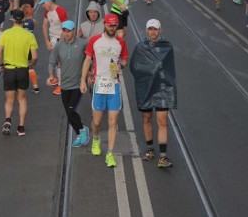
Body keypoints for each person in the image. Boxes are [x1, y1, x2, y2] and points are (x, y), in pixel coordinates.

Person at [80, 13, 129, 168]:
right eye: (109, 25)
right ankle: (95, 138)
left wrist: (120, 66)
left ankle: (110, 153)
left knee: (113, 121)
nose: (112, 28)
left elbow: (125, 60)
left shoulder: (120, 42)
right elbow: (87, 60)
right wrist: (82, 80)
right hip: (99, 84)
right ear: (105, 24)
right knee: (97, 121)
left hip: (114, 85)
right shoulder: (95, 41)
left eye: (114, 25)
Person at [129, 18, 177, 169]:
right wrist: (148, 74)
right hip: (146, 88)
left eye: (155, 29)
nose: (153, 32)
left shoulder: (167, 47)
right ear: (146, 30)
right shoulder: (140, 47)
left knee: (162, 121)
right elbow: (134, 67)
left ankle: (163, 157)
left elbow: (169, 69)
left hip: (163, 89)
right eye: (150, 29)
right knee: (147, 117)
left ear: (160, 30)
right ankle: (150, 149)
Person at [0, 9, 38, 136]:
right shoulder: (29, 35)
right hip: (22, 70)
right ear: (23, 19)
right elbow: (35, 56)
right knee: (21, 98)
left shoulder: (5, 34)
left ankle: (8, 120)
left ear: (12, 20)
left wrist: (1, 64)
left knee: (9, 99)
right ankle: (21, 127)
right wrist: (30, 64)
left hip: (9, 69)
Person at [49, 20, 89, 147]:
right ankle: (80, 132)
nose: (66, 34)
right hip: (64, 84)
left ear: (74, 31)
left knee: (71, 110)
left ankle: (82, 130)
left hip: (77, 84)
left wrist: (88, 76)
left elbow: (90, 60)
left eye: (69, 31)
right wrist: (51, 75)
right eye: (64, 31)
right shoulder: (59, 45)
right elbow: (52, 61)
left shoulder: (82, 44)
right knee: (68, 113)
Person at [41, 0, 68, 95]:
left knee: (59, 63)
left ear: (49, 2)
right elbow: (44, 25)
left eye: (44, 3)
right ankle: (58, 79)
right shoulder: (47, 12)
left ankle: (61, 85)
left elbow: (65, 28)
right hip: (52, 39)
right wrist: (47, 41)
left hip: (60, 39)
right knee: (56, 62)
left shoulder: (60, 11)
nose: (43, 6)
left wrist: (60, 43)